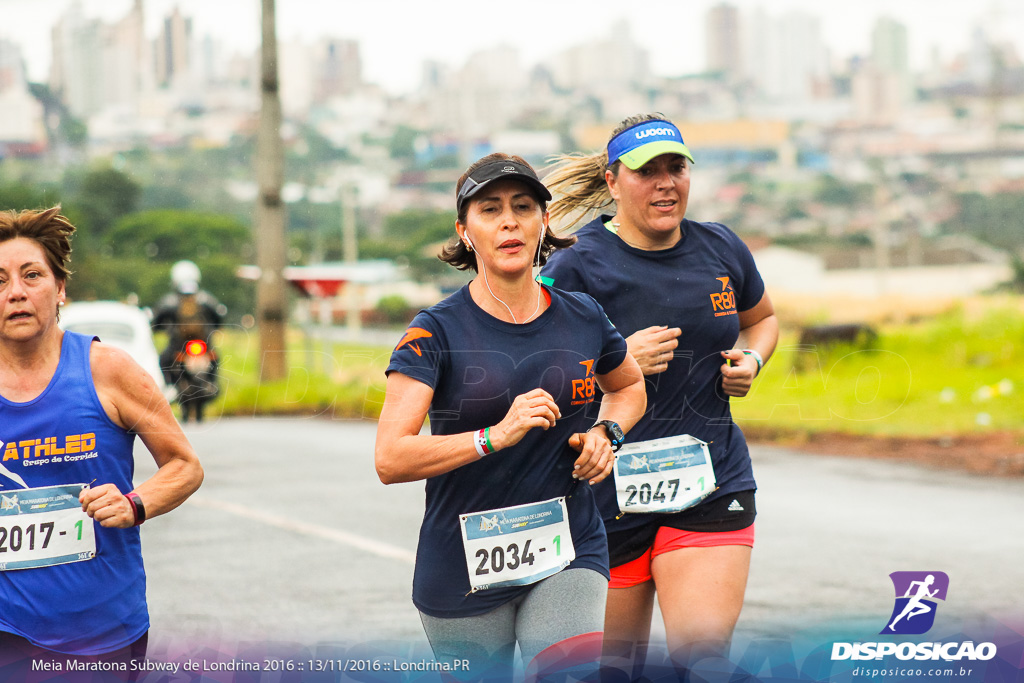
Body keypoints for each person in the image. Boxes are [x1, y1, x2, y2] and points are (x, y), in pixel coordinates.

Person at [375, 153, 646, 681]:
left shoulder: (583, 316)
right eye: (489, 209)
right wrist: (494, 437)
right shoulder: (435, 332)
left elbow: (629, 385)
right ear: (464, 231)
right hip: (461, 561)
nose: (508, 222)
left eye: (523, 207)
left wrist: (606, 432)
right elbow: (390, 458)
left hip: (568, 544)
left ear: (543, 222)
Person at [540, 114, 779, 677]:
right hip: (605, 494)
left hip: (710, 480)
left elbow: (762, 318)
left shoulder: (720, 247)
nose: (666, 182)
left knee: (701, 661)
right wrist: (615, 366)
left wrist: (753, 358)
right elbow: (537, 372)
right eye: (648, 171)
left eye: (676, 167)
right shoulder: (577, 262)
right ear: (613, 180)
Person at [0, 207, 204, 678]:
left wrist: (135, 503)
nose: (16, 292)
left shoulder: (108, 370)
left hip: (104, 630)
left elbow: (184, 465)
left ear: (60, 290)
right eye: (1, 279)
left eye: (32, 275)